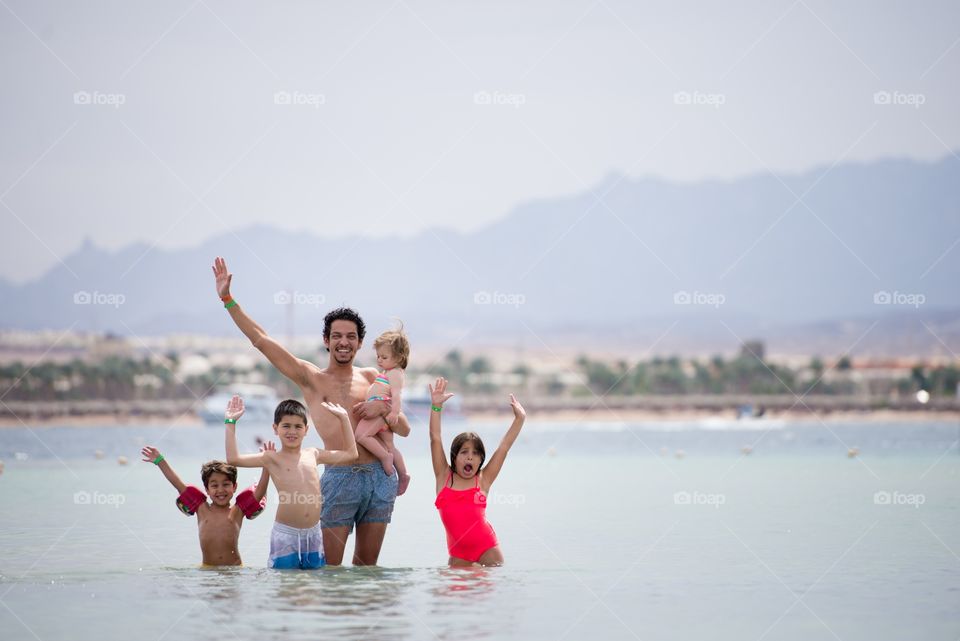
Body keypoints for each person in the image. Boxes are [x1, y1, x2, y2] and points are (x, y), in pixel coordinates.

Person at [212, 256, 410, 566]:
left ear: (359, 343)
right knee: (329, 573)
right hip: (339, 477)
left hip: (380, 477)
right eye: (336, 336)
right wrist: (227, 299)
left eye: (350, 337)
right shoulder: (312, 379)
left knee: (367, 573)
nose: (343, 342)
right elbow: (261, 341)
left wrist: (382, 413)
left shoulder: (374, 377)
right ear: (326, 341)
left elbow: (403, 427)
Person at [225, 395, 357, 569]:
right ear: (275, 428)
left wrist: (344, 418)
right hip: (286, 534)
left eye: (297, 426)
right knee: (286, 584)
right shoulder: (271, 458)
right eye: (286, 426)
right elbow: (234, 459)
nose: (292, 431)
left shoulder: (314, 454)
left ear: (306, 430)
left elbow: (351, 454)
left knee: (312, 586)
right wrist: (230, 422)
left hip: (314, 534)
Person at [428, 377, 526, 566]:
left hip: (488, 549)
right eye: (464, 452)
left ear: (481, 459)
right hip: (458, 554)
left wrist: (520, 419)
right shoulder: (443, 476)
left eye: (475, 453)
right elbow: (435, 438)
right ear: (454, 457)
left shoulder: (484, 479)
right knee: (453, 592)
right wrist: (436, 407)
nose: (470, 457)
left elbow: (503, 447)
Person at [140, 432, 270, 567]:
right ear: (207, 490)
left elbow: (259, 492)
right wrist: (160, 461)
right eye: (214, 486)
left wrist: (267, 465)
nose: (220, 490)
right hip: (207, 569)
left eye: (226, 484)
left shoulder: (237, 511)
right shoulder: (202, 509)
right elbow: (177, 484)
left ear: (234, 487)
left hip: (234, 569)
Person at [354, 327, 411, 495]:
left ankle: (385, 457)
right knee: (389, 445)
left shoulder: (395, 373)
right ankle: (403, 473)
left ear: (399, 357)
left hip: (381, 411)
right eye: (378, 356)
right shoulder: (387, 371)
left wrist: (394, 412)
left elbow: (397, 395)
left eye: (384, 357)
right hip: (380, 413)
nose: (379, 360)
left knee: (361, 436)